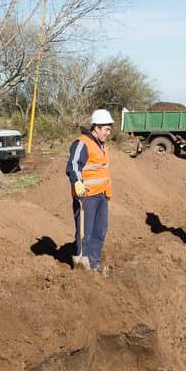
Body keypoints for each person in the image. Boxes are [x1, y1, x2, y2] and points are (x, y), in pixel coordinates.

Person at [66, 109, 114, 272]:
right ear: (97, 127)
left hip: (102, 195)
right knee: (85, 234)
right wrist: (77, 182)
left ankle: (94, 264)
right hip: (86, 196)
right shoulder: (82, 143)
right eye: (106, 129)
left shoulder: (101, 145)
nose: (108, 133)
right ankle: (83, 269)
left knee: (100, 231)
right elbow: (73, 165)